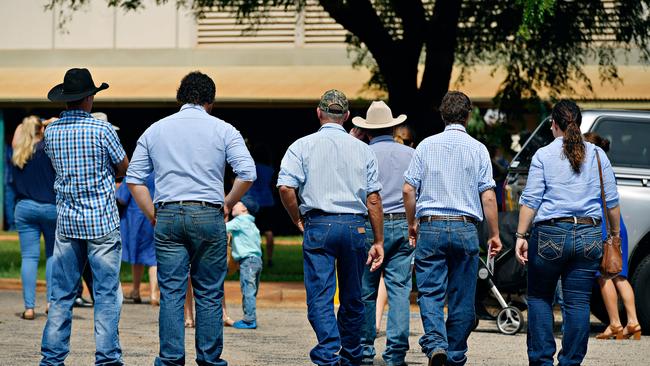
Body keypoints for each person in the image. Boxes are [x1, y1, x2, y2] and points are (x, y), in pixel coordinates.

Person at [126, 71, 256, 366]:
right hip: (208, 212)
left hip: (168, 212)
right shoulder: (224, 129)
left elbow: (134, 179)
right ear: (210, 101)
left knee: (171, 291)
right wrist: (228, 202)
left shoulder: (155, 130)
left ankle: (171, 359)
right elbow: (247, 173)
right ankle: (209, 359)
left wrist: (152, 214)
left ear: (180, 98)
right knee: (209, 292)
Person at [277, 89, 385, 366]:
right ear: (347, 116)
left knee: (320, 295)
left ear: (318, 113)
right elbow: (373, 199)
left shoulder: (301, 146)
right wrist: (379, 240)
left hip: (319, 222)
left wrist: (296, 217)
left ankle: (328, 352)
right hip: (354, 226)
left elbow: (286, 187)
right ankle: (351, 354)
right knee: (353, 296)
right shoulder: (364, 149)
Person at [514, 100, 620, 365]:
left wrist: (520, 236)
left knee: (539, 297)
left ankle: (541, 360)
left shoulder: (543, 155)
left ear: (553, 124)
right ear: (579, 124)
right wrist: (615, 234)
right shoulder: (598, 155)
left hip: (550, 233)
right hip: (589, 234)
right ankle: (571, 361)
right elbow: (613, 202)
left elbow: (531, 200)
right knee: (578, 303)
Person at [403, 91, 502, 366]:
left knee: (430, 292)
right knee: (462, 295)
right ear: (468, 115)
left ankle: (436, 344)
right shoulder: (478, 149)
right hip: (465, 227)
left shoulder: (425, 146)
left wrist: (413, 223)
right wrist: (494, 234)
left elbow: (408, 189)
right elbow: (489, 196)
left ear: (443, 115)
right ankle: (455, 353)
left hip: (431, 226)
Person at [41, 68, 129, 365]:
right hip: (101, 221)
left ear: (66, 99)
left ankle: (52, 359)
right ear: (89, 98)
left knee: (62, 295)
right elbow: (123, 167)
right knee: (105, 294)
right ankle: (107, 359)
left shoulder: (51, 132)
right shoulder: (102, 130)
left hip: (67, 220)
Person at [350, 101, 415, 366]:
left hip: (369, 224)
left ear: (367, 130)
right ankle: (396, 353)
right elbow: (414, 191)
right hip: (402, 223)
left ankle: (365, 349)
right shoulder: (409, 154)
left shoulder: (360, 153)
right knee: (399, 289)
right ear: (392, 126)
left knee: (366, 290)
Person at [582, 132, 642, 340]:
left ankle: (615, 323)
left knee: (604, 276)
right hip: (617, 226)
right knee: (620, 276)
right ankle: (633, 321)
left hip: (601, 227)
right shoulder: (606, 168)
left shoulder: (590, 170)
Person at [11, 116, 57, 320]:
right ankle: (50, 302)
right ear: (41, 130)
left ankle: (29, 308)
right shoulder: (48, 148)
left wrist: (34, 123)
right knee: (52, 255)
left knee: (29, 258)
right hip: (50, 207)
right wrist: (48, 122)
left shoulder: (18, 152)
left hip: (24, 207)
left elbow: (20, 131)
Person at [117, 172, 159, 306]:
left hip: (135, 217)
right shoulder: (161, 169)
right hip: (156, 215)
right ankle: (153, 293)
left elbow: (122, 198)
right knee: (154, 256)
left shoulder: (136, 170)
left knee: (137, 254)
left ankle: (136, 290)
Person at [226, 195, 263, 329]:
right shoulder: (251, 223)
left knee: (247, 290)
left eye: (236, 203)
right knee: (252, 290)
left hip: (247, 262)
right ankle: (250, 317)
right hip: (257, 261)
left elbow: (222, 228)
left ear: (244, 208)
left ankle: (249, 320)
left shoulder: (240, 221)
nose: (232, 206)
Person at [248, 143, 277, 267]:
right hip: (268, 201)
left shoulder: (252, 167)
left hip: (253, 201)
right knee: (269, 231)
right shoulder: (270, 169)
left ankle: (256, 255)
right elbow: (273, 185)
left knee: (253, 231)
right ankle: (269, 259)